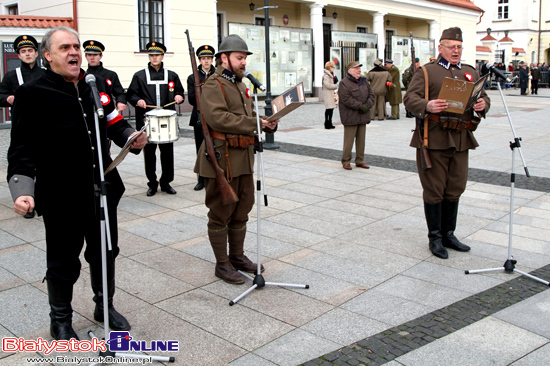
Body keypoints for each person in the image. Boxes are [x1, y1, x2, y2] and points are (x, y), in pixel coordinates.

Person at [7, 26, 147, 340]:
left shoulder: (94, 85)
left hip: (102, 188)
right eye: (65, 48)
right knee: (63, 259)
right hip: (60, 194)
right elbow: (21, 148)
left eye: (76, 47)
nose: (74, 52)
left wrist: (131, 138)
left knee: (105, 251)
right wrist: (21, 191)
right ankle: (60, 319)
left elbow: (114, 121)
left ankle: (104, 305)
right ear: (48, 55)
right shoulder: (32, 93)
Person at [194, 34, 279, 284]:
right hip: (221, 157)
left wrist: (265, 125)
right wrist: (254, 123)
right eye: (239, 58)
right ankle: (222, 264)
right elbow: (219, 118)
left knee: (242, 208)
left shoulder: (241, 84)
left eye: (244, 58)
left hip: (242, 156)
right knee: (221, 211)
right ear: (224, 58)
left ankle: (237, 256)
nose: (243, 62)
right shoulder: (213, 84)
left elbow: (249, 116)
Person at [403, 27, 490, 259]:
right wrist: (427, 106)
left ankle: (449, 234)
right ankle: (435, 238)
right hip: (434, 139)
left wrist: (483, 105)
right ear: (440, 48)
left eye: (459, 47)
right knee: (434, 190)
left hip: (461, 138)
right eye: (451, 46)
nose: (456, 51)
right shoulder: (428, 72)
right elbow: (410, 98)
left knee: (455, 187)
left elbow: (483, 97)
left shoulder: (469, 71)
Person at [127, 41, 185, 196]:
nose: (154, 58)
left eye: (157, 55)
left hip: (166, 121)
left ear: (162, 56)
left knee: (167, 154)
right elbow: (131, 94)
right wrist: (137, 100)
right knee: (150, 153)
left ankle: (166, 182)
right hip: (147, 120)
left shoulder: (172, 75)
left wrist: (179, 96)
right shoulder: (139, 76)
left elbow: (180, 91)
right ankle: (152, 183)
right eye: (151, 55)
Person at [0, 35, 45, 218]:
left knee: (43, 163)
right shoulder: (12, 76)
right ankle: (26, 200)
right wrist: (8, 98)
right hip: (23, 127)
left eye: (30, 51)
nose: (27, 54)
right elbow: (0, 95)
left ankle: (40, 198)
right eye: (23, 52)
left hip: (45, 126)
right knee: (24, 162)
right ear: (18, 55)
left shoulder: (45, 74)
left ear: (37, 53)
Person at [187, 44, 216, 191]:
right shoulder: (193, 77)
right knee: (200, 149)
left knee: (216, 146)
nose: (206, 61)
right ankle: (202, 179)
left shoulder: (218, 74)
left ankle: (216, 175)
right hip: (199, 116)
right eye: (203, 58)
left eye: (208, 58)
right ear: (199, 60)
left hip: (216, 115)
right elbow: (192, 99)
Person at [338, 61, 375, 171]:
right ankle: (346, 161)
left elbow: (371, 95)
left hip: (362, 115)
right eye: (356, 68)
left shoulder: (364, 82)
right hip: (350, 116)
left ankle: (359, 160)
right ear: (350, 70)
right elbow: (346, 99)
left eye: (359, 68)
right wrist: (360, 106)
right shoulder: (344, 83)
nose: (359, 70)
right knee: (349, 141)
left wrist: (367, 105)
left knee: (361, 140)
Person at [83, 40, 127, 112]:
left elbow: (120, 93)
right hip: (88, 112)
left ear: (101, 56)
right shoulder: (82, 75)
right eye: (89, 55)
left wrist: (121, 101)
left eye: (95, 55)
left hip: (107, 111)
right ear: (86, 56)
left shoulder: (110, 75)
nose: (92, 58)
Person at [322, 61, 338, 129]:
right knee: (328, 108)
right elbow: (327, 85)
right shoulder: (326, 75)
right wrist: (336, 85)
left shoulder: (332, 75)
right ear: (329, 67)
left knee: (331, 109)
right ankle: (326, 123)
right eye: (333, 67)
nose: (334, 68)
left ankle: (330, 122)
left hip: (332, 93)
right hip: (328, 93)